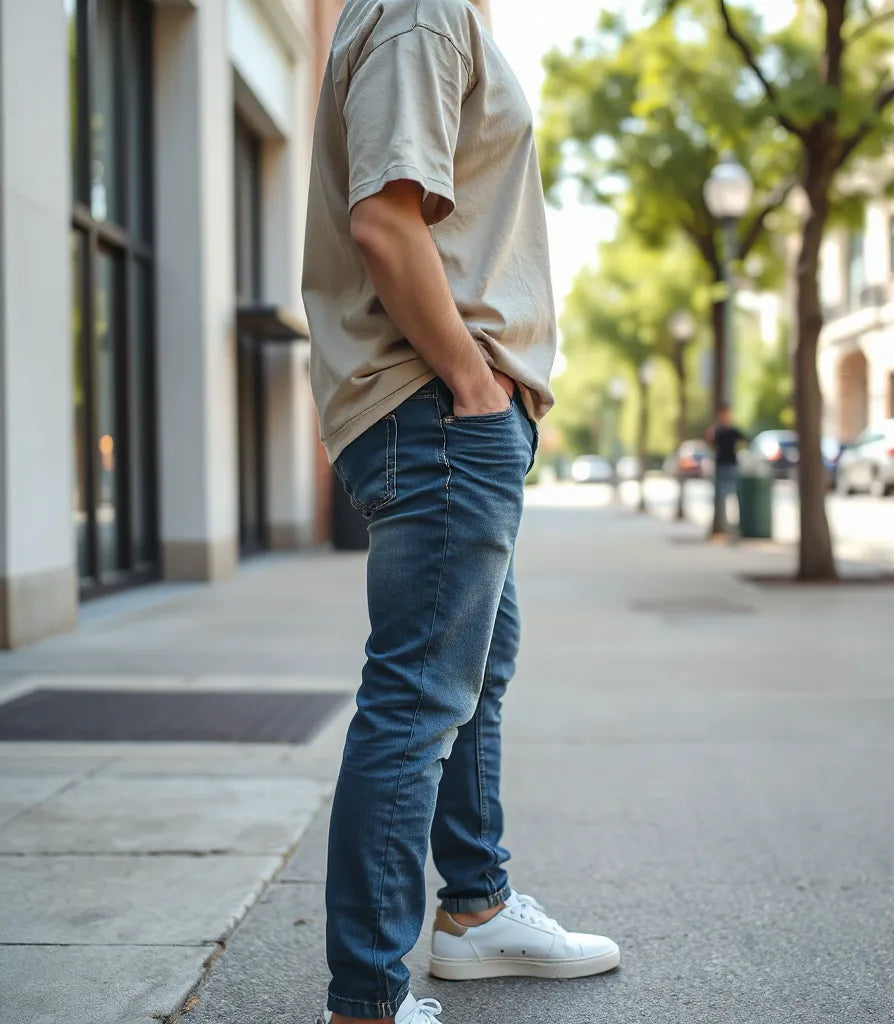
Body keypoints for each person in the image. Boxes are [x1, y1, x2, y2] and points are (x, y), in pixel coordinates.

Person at [302, 2, 620, 1022]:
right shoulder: (423, 11)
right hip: (435, 407)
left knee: (471, 675)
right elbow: (385, 221)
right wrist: (477, 385)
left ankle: (476, 913)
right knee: (418, 698)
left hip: (443, 408)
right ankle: (368, 996)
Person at [707, 405, 747, 534]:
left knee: (734, 497)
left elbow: (744, 437)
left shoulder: (731, 430)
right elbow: (711, 441)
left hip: (731, 466)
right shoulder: (718, 431)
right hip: (721, 466)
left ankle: (735, 527)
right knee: (721, 498)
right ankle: (723, 528)